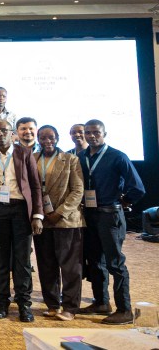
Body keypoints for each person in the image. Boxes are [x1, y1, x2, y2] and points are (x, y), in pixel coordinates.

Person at [79, 119, 146, 325]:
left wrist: (122, 201)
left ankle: (124, 309)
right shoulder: (81, 156)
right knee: (95, 261)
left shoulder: (118, 156)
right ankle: (101, 302)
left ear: (104, 134)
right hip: (89, 215)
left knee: (115, 262)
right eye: (88, 132)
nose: (91, 136)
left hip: (110, 215)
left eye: (96, 132)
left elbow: (137, 188)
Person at [0, 120, 44, 323]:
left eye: (4, 130)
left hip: (21, 210)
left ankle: (24, 304)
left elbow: (35, 186)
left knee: (22, 260)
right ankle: (2, 303)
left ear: (12, 133)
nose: (0, 134)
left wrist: (37, 215)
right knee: (1, 259)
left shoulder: (24, 153)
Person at [33, 125, 84, 321]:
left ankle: (70, 308)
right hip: (42, 220)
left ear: (58, 138)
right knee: (46, 265)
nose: (47, 141)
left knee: (70, 267)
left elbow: (77, 191)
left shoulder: (71, 159)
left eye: (51, 137)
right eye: (43, 137)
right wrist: (39, 213)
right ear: (38, 138)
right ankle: (53, 304)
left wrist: (60, 212)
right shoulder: (33, 158)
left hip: (66, 221)